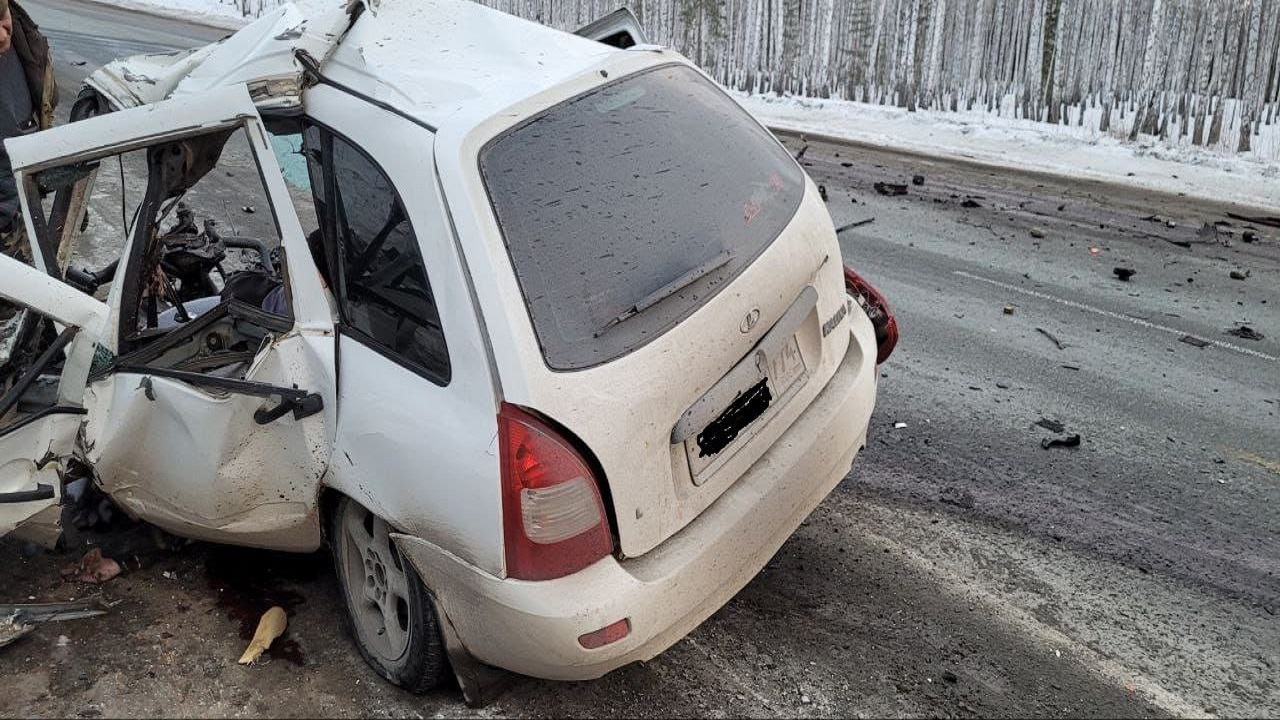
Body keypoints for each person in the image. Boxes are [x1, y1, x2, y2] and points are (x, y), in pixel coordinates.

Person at [0, 0, 56, 264]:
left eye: (2, 18)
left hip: (22, 214)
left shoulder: (27, 43)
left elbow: (41, 114)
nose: (2, 35)